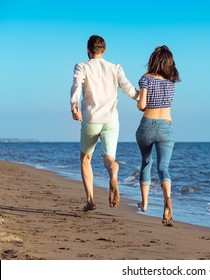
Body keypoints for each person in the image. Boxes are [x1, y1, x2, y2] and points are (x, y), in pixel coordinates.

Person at [70, 35, 139, 212]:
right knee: (109, 159)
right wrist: (141, 99)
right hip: (111, 120)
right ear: (104, 50)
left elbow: (76, 86)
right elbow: (127, 87)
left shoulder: (82, 66)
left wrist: (74, 107)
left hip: (92, 119)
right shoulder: (115, 67)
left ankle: (90, 201)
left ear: (88, 50)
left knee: (86, 158)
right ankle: (113, 175)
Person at [135, 45, 180, 226]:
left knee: (146, 162)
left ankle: (145, 204)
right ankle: (167, 199)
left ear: (153, 60)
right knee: (163, 167)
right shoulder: (171, 83)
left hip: (147, 126)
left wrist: (139, 99)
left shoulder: (146, 79)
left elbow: (142, 105)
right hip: (165, 127)